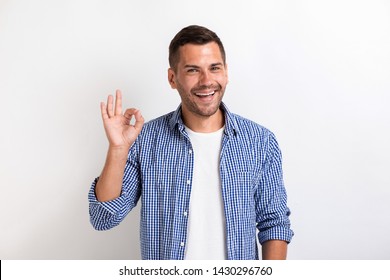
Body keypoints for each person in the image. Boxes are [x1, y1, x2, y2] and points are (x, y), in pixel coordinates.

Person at [89, 25, 293, 260]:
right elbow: (103, 218)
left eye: (214, 68)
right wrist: (117, 149)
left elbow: (274, 223)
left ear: (226, 72)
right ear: (172, 78)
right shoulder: (145, 140)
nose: (207, 81)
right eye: (193, 70)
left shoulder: (260, 142)